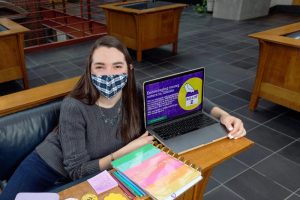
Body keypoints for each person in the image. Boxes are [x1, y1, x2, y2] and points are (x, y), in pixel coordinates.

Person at [0, 35, 246, 200]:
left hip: (92, 177)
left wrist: (224, 115)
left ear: (129, 68)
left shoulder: (137, 95)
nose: (109, 74)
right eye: (100, 67)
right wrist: (129, 149)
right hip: (47, 166)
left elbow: (190, 96)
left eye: (117, 66)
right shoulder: (74, 106)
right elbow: (76, 170)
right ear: (90, 70)